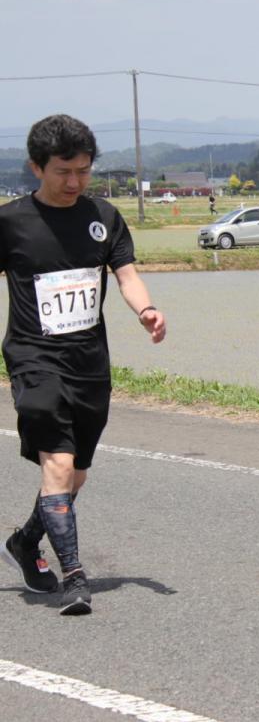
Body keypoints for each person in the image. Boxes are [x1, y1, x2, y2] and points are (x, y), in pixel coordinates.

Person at [0, 115, 166, 615]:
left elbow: (127, 275)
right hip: (34, 357)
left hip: (90, 361)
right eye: (62, 172)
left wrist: (146, 310)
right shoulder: (10, 223)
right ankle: (74, 577)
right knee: (58, 461)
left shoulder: (104, 216)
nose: (74, 182)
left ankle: (25, 542)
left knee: (76, 475)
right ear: (36, 168)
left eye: (83, 171)